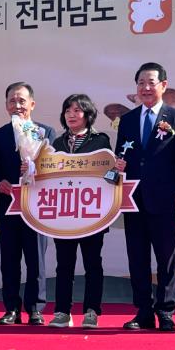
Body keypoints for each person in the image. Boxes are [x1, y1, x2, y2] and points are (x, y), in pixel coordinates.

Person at [114, 62, 175, 331]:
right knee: (137, 257)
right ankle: (143, 311)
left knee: (166, 257)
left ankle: (166, 311)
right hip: (133, 199)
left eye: (151, 82)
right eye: (141, 83)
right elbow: (121, 155)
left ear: (163, 85)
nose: (146, 88)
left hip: (165, 198)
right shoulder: (127, 120)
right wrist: (117, 168)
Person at [0, 82, 55, 325]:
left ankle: (36, 308)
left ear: (32, 104)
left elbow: (54, 166)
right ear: (6, 105)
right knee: (9, 260)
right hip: (8, 205)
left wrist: (35, 170)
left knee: (36, 259)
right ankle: (11, 309)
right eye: (12, 101)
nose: (17, 105)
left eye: (22, 101)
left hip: (37, 206)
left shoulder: (46, 132)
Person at [47, 94, 112, 329]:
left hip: (92, 215)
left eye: (77, 110)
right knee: (64, 264)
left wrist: (116, 171)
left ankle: (92, 311)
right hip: (64, 215)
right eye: (67, 111)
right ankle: (62, 312)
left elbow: (111, 176)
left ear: (87, 114)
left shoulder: (100, 141)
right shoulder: (57, 144)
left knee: (93, 263)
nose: (71, 115)